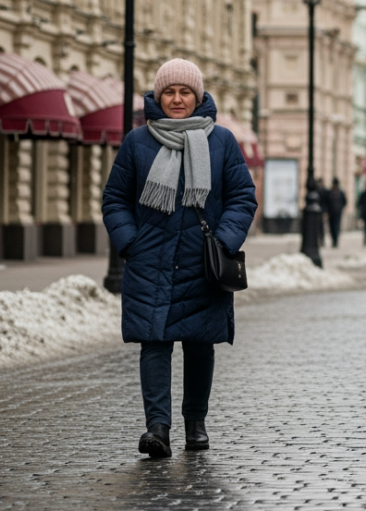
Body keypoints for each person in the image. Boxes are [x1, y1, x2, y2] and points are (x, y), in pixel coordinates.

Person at [102, 58, 257, 458]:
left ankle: (195, 423)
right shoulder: (138, 142)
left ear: (198, 96)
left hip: (202, 260)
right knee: (153, 342)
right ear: (157, 96)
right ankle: (157, 428)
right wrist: (130, 243)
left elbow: (243, 197)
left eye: (184, 92)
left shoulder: (221, 141)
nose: (176, 99)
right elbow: (115, 199)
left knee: (199, 343)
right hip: (149, 259)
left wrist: (223, 240)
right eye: (168, 92)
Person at [325, 177, 347, 248]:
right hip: (331, 213)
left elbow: (344, 201)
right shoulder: (330, 192)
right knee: (331, 227)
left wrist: (340, 208)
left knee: (336, 227)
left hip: (337, 213)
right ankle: (333, 240)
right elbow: (327, 202)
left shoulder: (340, 192)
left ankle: (336, 240)